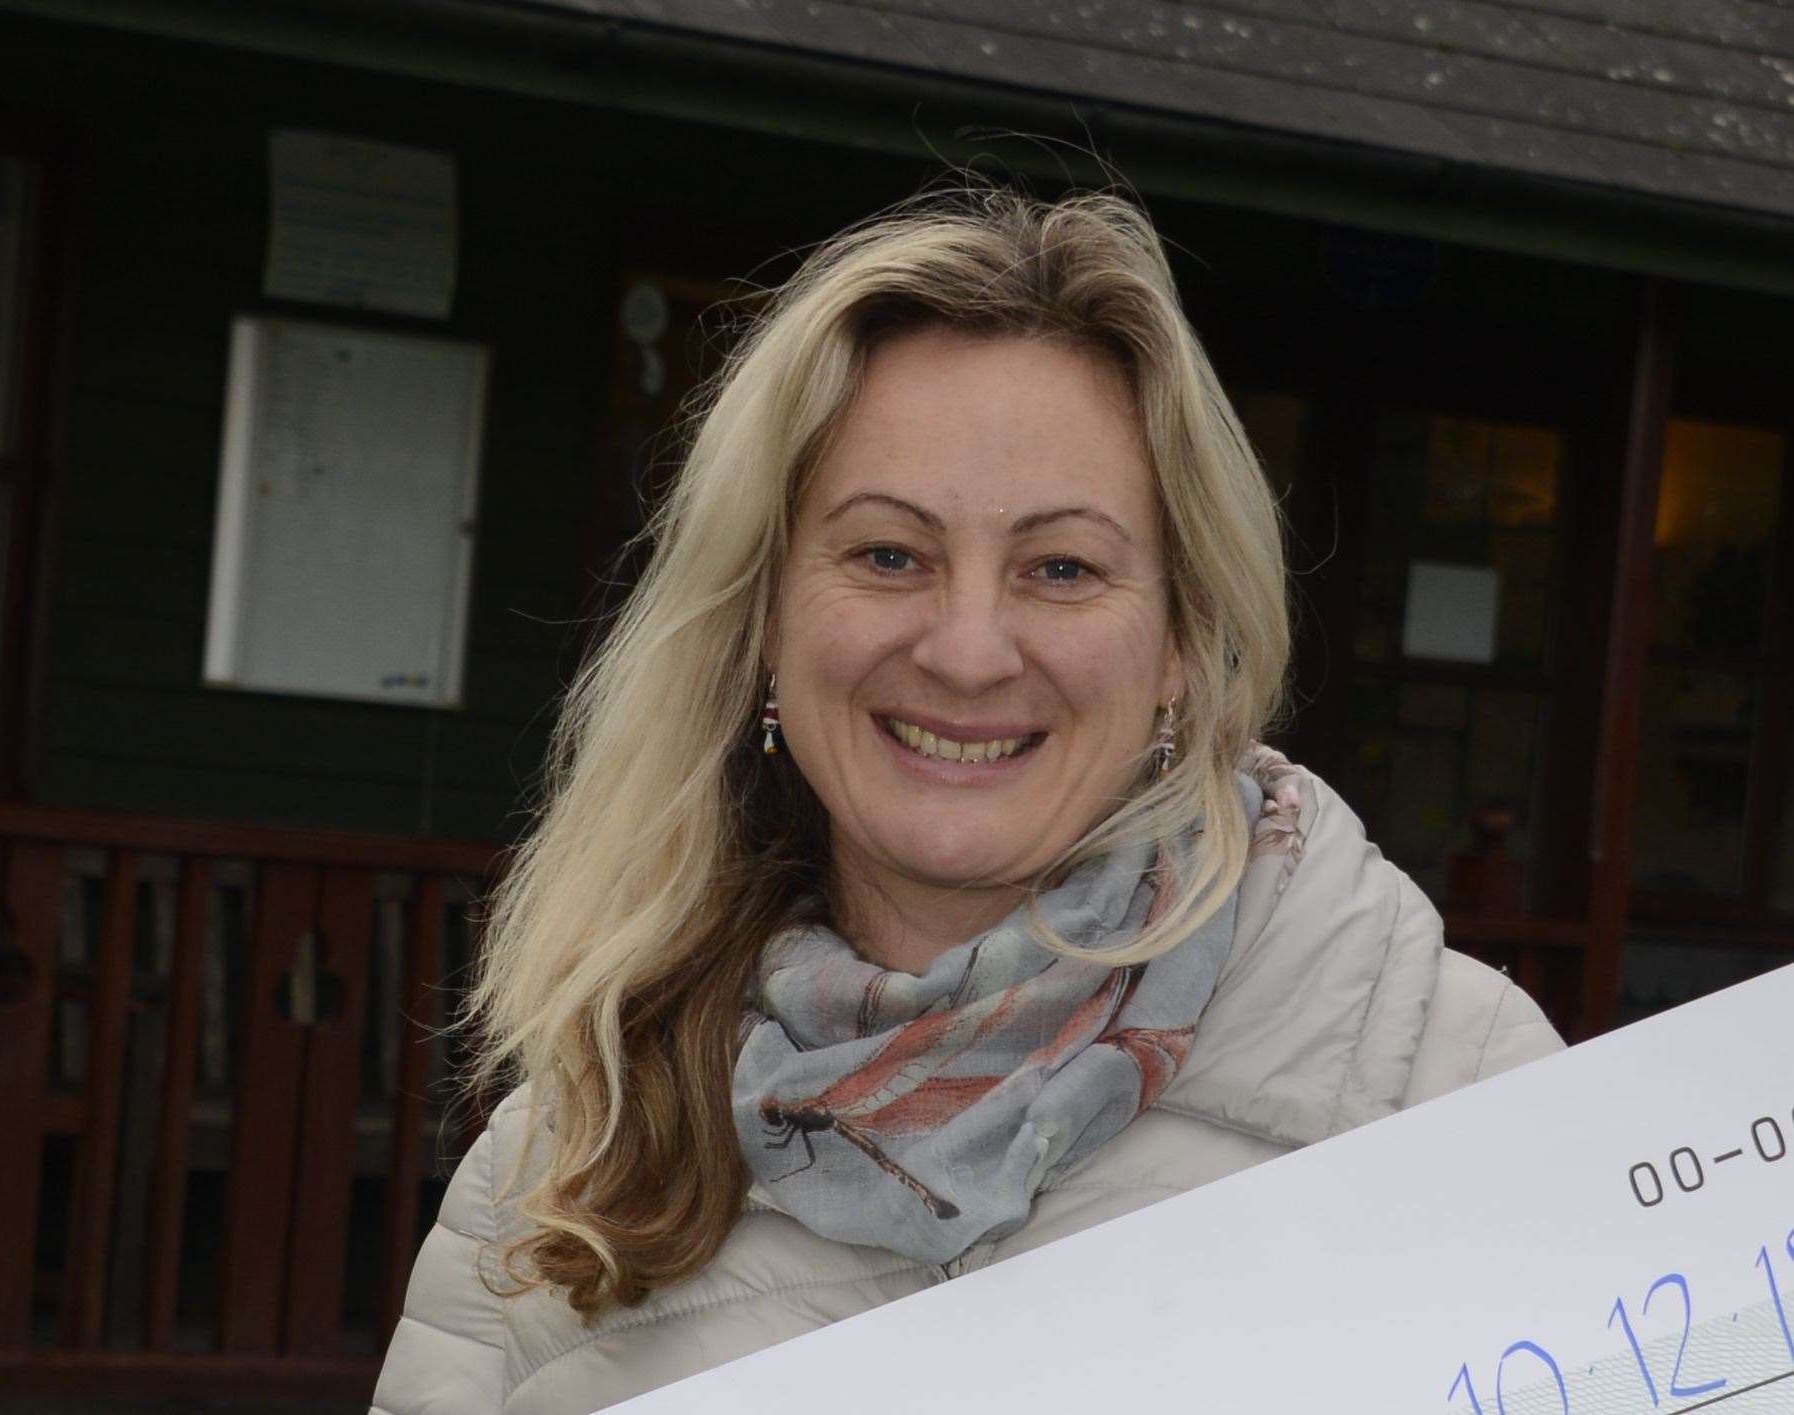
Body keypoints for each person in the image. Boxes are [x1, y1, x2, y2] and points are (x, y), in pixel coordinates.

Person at [370, 183, 1562, 1415]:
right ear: (763, 621)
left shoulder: (1455, 1080)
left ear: (1179, 644)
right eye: (888, 553)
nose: (968, 648)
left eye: (1061, 566)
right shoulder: (564, 1155)